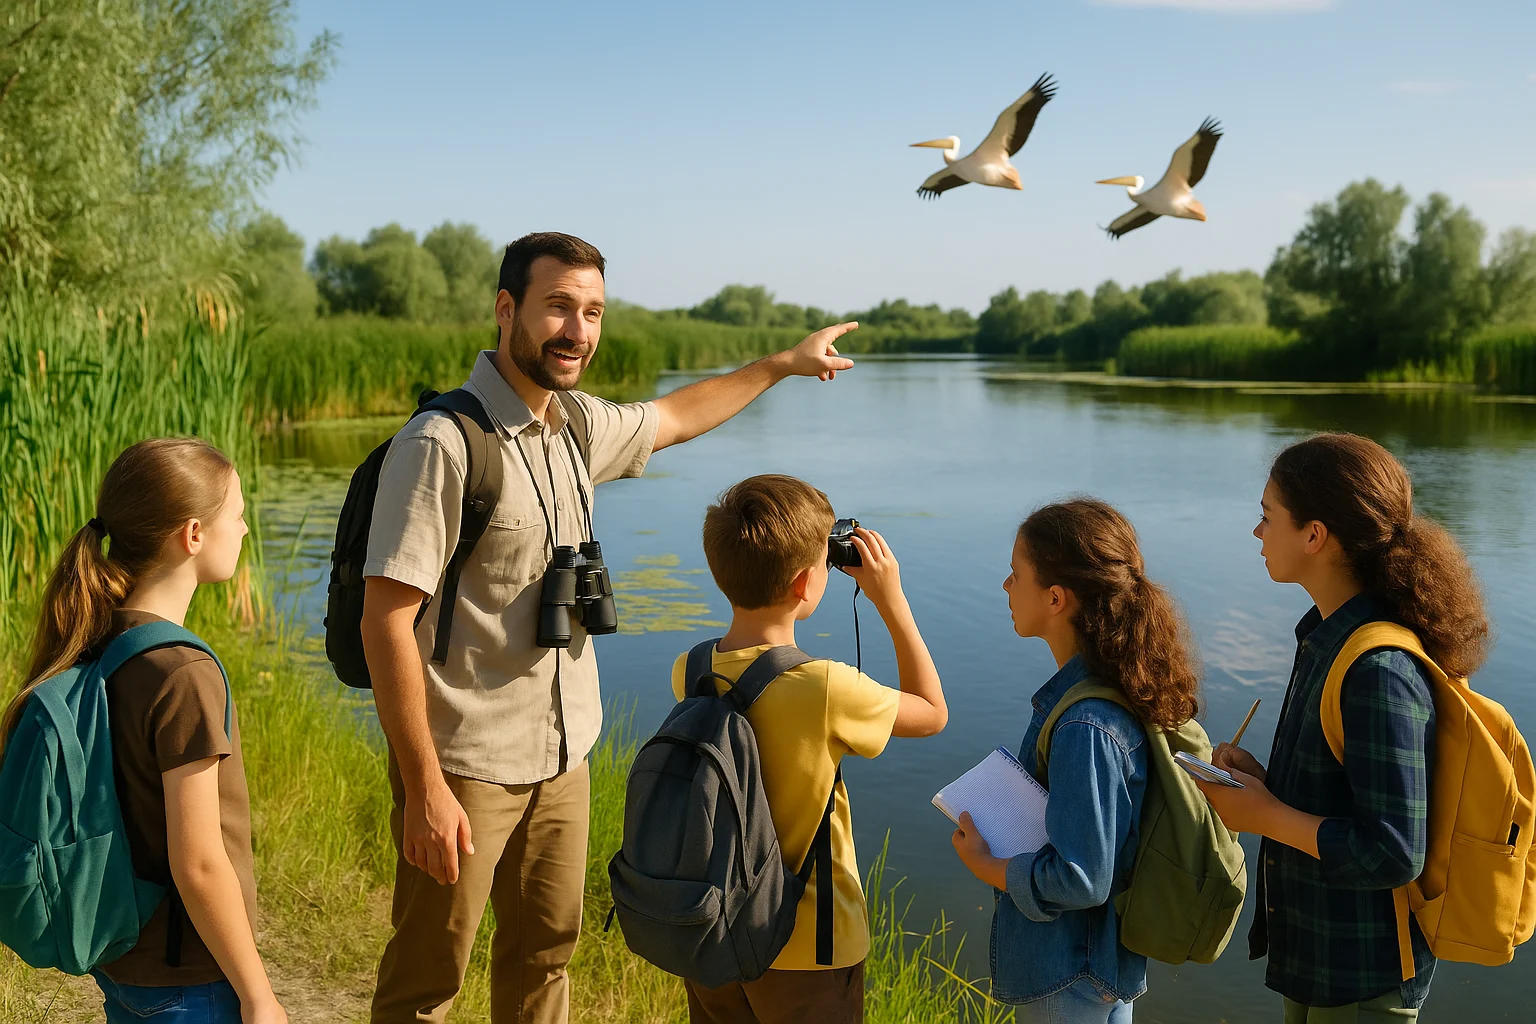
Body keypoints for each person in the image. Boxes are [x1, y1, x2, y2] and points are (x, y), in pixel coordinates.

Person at [362, 232, 861, 1024]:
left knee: (546, 960)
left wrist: (780, 365)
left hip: (564, 758)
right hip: (464, 763)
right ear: (506, 309)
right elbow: (385, 621)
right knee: (428, 979)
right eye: (558, 306)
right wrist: (423, 786)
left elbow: (676, 416)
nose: (578, 331)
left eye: (592, 312)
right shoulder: (442, 444)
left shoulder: (576, 426)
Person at [1198, 432, 1489, 1022]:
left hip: (1364, 979)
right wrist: (1268, 786)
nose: (1256, 532)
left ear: (1314, 535)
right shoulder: (1326, 636)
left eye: (1267, 516)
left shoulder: (1379, 670)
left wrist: (1264, 817)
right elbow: (1344, 796)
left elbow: (1393, 853)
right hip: (1319, 960)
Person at [0, 438, 281, 1024]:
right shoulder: (184, 673)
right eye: (237, 513)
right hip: (191, 980)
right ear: (193, 534)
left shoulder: (102, 640)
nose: (245, 528)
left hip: (126, 964)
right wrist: (259, 995)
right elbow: (198, 862)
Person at [675, 474, 946, 1024]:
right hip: (807, 947)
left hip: (711, 933)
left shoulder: (692, 668)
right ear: (804, 584)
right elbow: (932, 712)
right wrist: (890, 599)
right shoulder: (824, 687)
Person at [950, 498, 1202, 1023]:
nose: (1005, 586)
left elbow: (1081, 878)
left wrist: (986, 865)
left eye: (1016, 574)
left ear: (1055, 598)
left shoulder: (1085, 725)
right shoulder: (1115, 687)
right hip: (1101, 967)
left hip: (1069, 977)